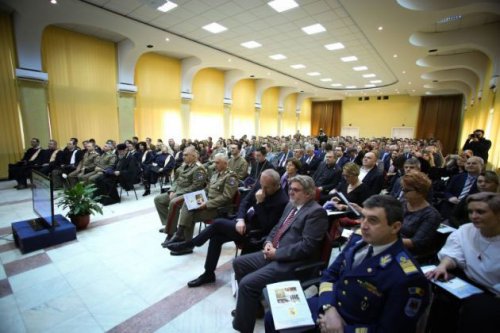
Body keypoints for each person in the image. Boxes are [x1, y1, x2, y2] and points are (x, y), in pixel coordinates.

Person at [266, 195, 430, 333]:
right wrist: (329, 308)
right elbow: (330, 276)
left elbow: (390, 330)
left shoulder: (407, 277)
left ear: (395, 227)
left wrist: (342, 329)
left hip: (351, 326)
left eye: (372, 221)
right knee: (273, 317)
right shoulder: (358, 241)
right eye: (362, 217)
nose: (363, 226)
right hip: (328, 306)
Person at [232, 175, 328, 333]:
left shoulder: (317, 212)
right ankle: (253, 307)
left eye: (296, 190)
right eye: (290, 188)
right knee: (239, 263)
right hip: (274, 252)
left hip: (292, 263)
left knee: (247, 284)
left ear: (309, 193)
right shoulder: (291, 206)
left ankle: (243, 328)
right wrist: (268, 243)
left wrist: (277, 253)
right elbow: (277, 228)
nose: (290, 192)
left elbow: (307, 247)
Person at [168, 169, 288, 285]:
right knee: (216, 238)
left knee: (218, 223)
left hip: (254, 232)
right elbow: (245, 202)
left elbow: (267, 226)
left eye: (266, 187)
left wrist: (260, 203)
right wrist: (240, 219)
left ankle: (190, 244)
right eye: (261, 185)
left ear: (276, 185)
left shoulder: (281, 201)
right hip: (241, 223)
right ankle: (208, 274)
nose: (262, 189)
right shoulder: (262, 185)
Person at [425, 192, 500, 333]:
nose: (473, 216)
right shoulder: (466, 230)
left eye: (480, 212)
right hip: (468, 281)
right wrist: (443, 266)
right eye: (470, 212)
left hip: (493, 294)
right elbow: (454, 253)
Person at [166, 153, 239, 250]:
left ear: (225, 163)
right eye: (214, 162)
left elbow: (226, 197)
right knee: (187, 202)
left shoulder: (231, 177)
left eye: (217, 163)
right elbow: (207, 190)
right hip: (206, 200)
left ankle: (186, 244)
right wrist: (194, 198)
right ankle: (180, 235)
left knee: (190, 216)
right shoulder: (215, 174)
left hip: (217, 208)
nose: (214, 165)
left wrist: (206, 204)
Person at [155, 146, 207, 243]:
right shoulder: (183, 165)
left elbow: (196, 187)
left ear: (194, 156)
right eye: (183, 155)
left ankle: (170, 233)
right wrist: (172, 190)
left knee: (174, 203)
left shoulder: (199, 168)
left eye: (186, 155)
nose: (183, 157)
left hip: (192, 194)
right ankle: (170, 226)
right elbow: (176, 181)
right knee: (158, 199)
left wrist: (177, 193)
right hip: (178, 191)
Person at [399, 171, 442, 257]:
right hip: (393, 245)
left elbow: (416, 242)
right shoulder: (402, 203)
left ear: (420, 192)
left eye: (406, 190)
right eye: (402, 189)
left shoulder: (431, 215)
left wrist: (386, 240)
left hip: (410, 254)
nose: (403, 192)